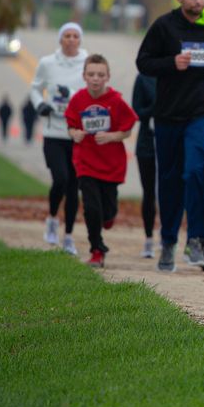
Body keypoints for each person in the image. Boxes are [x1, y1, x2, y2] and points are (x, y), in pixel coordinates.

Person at [136, 0, 204, 272]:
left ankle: (196, 240)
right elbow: (143, 62)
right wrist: (171, 63)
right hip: (167, 116)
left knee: (195, 171)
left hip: (202, 113)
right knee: (169, 182)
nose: (198, 2)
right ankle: (168, 243)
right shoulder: (164, 26)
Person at [66, 54, 138, 268]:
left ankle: (108, 218)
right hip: (86, 162)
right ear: (84, 76)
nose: (95, 79)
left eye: (100, 75)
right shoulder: (78, 99)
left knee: (107, 210)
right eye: (91, 74)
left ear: (107, 77)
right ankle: (97, 250)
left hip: (111, 164)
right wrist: (74, 133)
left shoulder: (115, 101)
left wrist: (111, 136)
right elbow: (71, 125)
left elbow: (127, 128)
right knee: (91, 208)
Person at [31, 22, 88, 255]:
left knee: (74, 186)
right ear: (60, 39)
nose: (71, 39)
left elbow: (94, 89)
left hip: (78, 134)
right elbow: (35, 88)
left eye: (75, 36)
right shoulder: (47, 63)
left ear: (80, 40)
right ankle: (53, 218)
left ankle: (69, 237)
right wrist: (40, 104)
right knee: (60, 179)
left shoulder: (87, 63)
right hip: (54, 132)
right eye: (67, 35)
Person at [131, 72, 159, 258]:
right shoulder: (143, 77)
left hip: (172, 141)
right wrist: (157, 109)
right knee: (149, 192)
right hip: (147, 142)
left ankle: (167, 239)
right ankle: (149, 238)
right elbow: (137, 110)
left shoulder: (178, 73)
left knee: (169, 192)